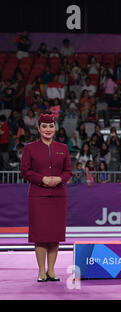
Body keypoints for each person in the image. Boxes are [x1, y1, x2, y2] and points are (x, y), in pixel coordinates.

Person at [19, 111, 72, 282]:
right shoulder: (29, 148)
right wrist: (42, 179)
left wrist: (59, 179)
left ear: (55, 128)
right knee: (40, 235)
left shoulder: (63, 148)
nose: (48, 129)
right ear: (39, 128)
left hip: (58, 196)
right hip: (38, 196)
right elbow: (25, 171)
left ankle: (52, 271)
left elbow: (68, 171)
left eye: (51, 126)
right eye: (44, 126)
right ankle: (41, 271)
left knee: (54, 235)